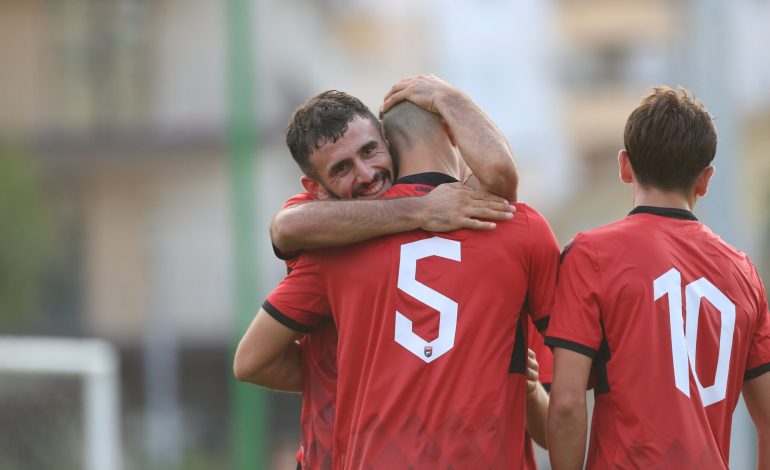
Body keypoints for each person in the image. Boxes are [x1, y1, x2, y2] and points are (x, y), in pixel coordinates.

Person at [236, 93, 560, 468]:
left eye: (370, 151)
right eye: (342, 169)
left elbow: (251, 361)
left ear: (389, 143)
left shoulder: (332, 251)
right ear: (316, 189)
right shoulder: (518, 230)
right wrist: (423, 208)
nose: (367, 174)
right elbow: (286, 226)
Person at [545, 86, 770, 469]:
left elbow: (566, 403)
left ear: (624, 166)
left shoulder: (590, 256)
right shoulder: (743, 272)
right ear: (705, 179)